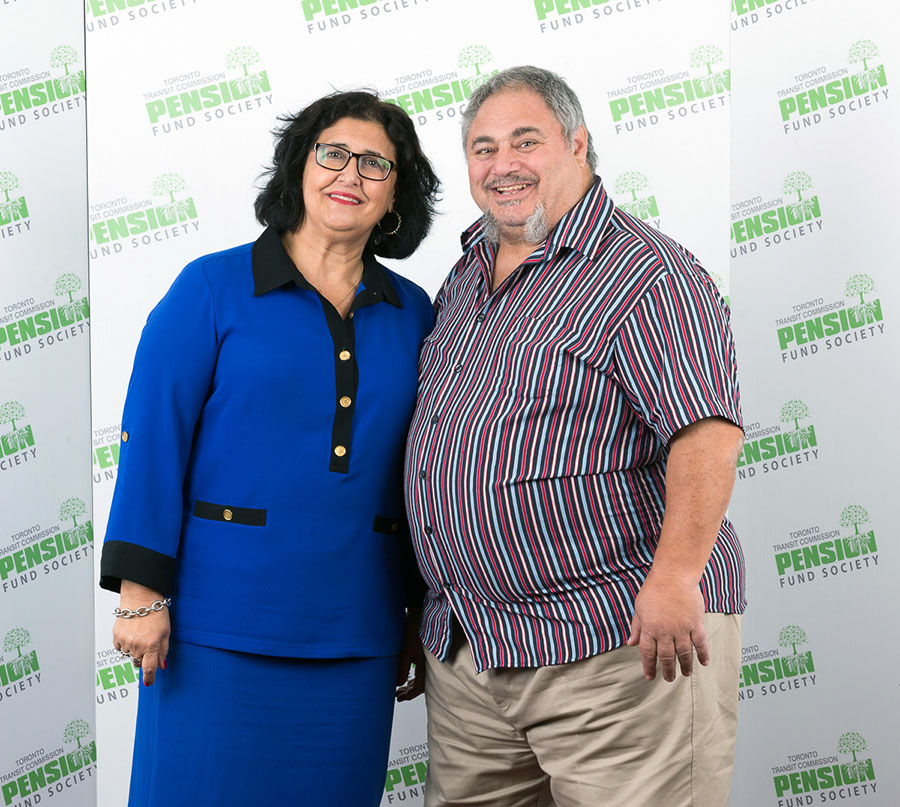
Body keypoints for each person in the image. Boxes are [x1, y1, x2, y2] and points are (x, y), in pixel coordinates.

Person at [404, 66, 746, 807]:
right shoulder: (463, 279)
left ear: (578, 143)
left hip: (618, 646)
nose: (503, 165)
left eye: (525, 141)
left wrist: (677, 577)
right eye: (482, 148)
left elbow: (708, 433)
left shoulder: (644, 273)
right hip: (474, 656)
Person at [99, 90, 439, 807]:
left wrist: (416, 610)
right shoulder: (211, 287)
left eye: (377, 163)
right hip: (215, 627)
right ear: (299, 166)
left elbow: (423, 470)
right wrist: (139, 592)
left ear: (396, 195)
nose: (352, 172)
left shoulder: (417, 312)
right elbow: (153, 433)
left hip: (357, 632)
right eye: (333, 152)